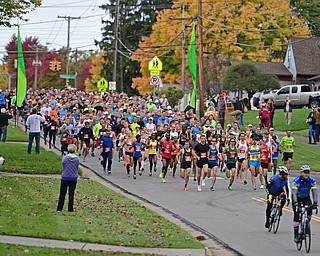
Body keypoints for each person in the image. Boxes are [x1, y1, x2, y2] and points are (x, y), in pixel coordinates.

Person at [292, 165, 318, 243]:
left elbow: (314, 193)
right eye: (305, 172)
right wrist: (296, 203)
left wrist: (315, 202)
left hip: (306, 198)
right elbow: (294, 193)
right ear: (301, 173)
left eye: (308, 172)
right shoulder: (296, 181)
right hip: (297, 198)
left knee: (310, 210)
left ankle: (307, 224)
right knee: (296, 215)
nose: (307, 174)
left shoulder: (312, 180)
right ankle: (296, 235)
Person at [57, 144, 80, 212]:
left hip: (65, 177)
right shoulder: (77, 159)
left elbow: (63, 165)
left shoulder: (65, 158)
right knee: (71, 193)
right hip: (73, 177)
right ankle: (70, 208)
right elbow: (77, 166)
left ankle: (59, 208)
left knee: (62, 193)